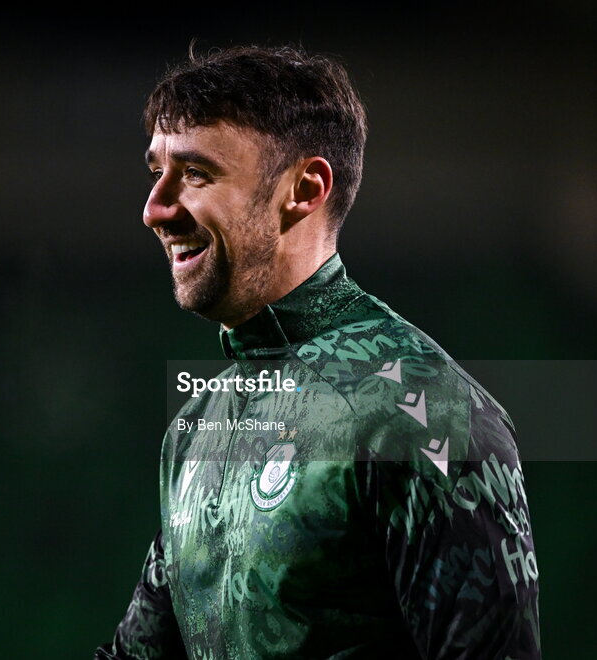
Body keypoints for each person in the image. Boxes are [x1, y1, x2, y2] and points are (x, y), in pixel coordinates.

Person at [95, 45, 540, 659]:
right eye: (157, 174)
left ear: (304, 189)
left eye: (195, 174)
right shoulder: (195, 428)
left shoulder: (421, 412)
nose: (156, 210)